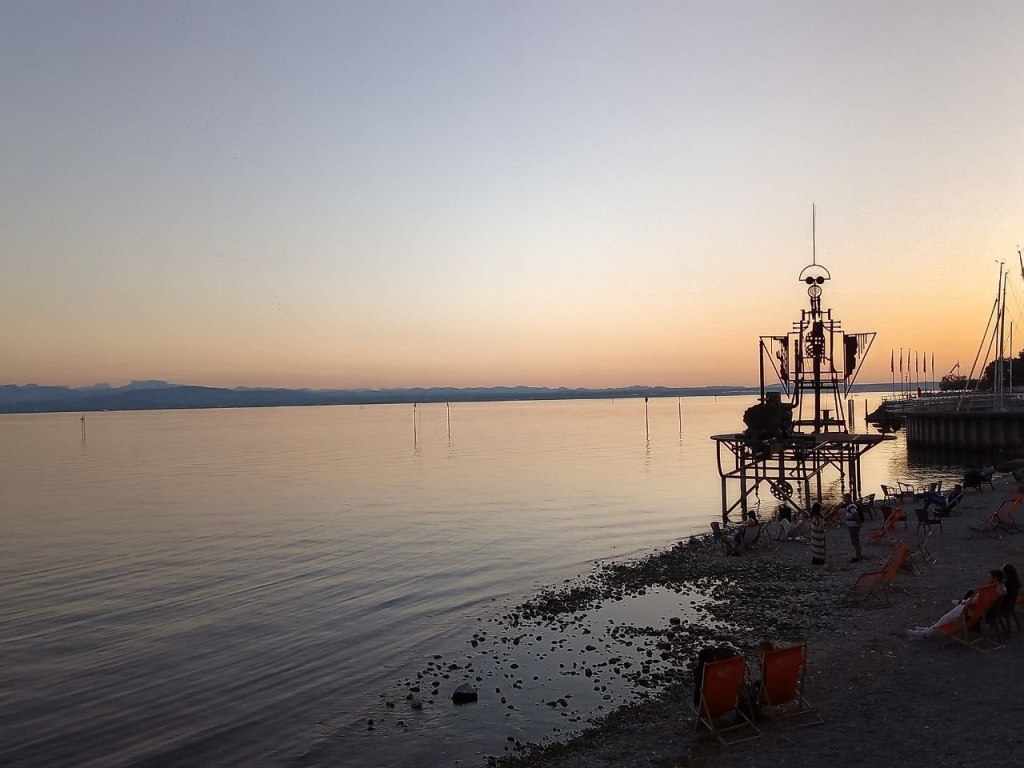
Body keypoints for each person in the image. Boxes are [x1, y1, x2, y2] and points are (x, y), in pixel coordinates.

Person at [907, 570, 1006, 638]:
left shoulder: (988, 591)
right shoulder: (1001, 589)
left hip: (970, 610)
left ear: (995, 579)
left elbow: (974, 601)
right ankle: (927, 630)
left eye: (990, 577)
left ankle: (925, 634)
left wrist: (963, 605)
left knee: (945, 618)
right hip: (979, 610)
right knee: (945, 618)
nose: (988, 579)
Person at [691, 643, 740, 708]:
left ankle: (697, 705)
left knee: (699, 688)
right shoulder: (717, 671)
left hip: (705, 705)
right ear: (713, 658)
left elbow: (698, 685)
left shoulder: (700, 672)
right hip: (723, 701)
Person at [843, 492, 863, 563]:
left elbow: (855, 514)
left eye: (845, 498)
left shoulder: (851, 506)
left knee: (855, 541)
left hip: (854, 526)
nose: (844, 500)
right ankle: (859, 555)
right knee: (856, 540)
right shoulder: (851, 506)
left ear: (848, 498)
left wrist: (858, 523)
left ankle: (858, 556)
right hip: (853, 526)